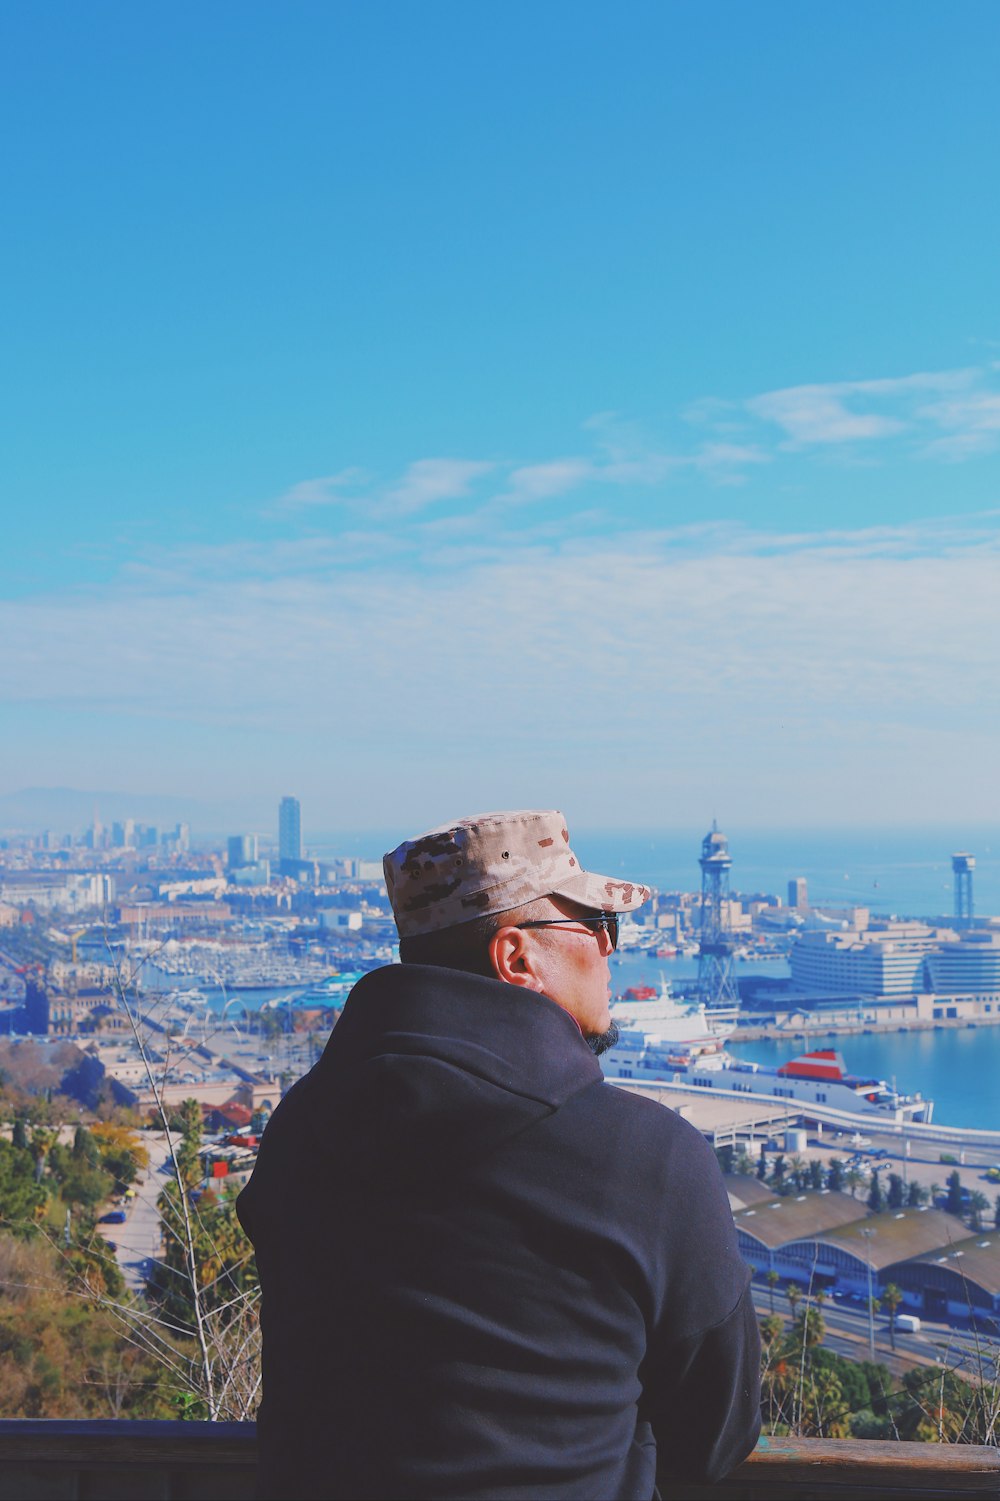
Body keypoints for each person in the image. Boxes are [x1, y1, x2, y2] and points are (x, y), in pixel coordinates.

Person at [237, 809, 760, 1500]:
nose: (611, 945)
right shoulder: (646, 1158)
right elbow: (717, 1435)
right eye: (597, 924)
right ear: (517, 957)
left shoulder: (301, 1130)